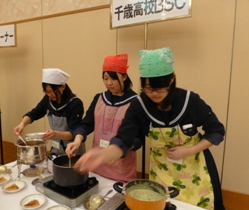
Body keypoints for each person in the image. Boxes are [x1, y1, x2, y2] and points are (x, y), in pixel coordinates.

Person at [73, 47, 225, 210]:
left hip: (195, 170)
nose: (153, 94)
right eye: (148, 87)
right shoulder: (139, 106)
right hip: (162, 172)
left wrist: (189, 150)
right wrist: (102, 154)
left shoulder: (190, 101)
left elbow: (216, 131)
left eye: (159, 87)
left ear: (172, 79)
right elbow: (124, 139)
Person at [66, 54, 143, 182]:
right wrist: (77, 140)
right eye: (105, 78)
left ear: (124, 77)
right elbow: (86, 124)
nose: (108, 83)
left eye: (113, 79)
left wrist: (117, 150)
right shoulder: (99, 99)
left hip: (120, 168)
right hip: (97, 166)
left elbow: (139, 138)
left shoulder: (135, 102)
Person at [14, 68, 85, 155]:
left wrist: (55, 134)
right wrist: (22, 124)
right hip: (56, 148)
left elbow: (73, 133)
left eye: (52, 91)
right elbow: (34, 113)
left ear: (63, 86)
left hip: (73, 149)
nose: (49, 95)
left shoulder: (75, 104)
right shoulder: (48, 100)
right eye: (46, 92)